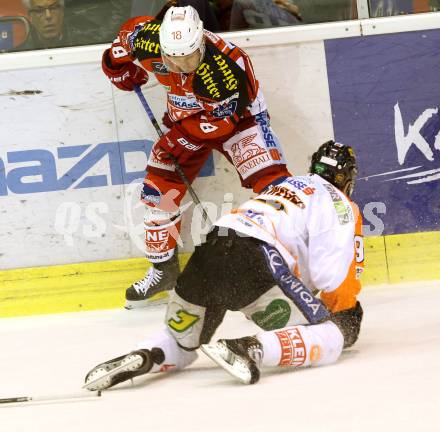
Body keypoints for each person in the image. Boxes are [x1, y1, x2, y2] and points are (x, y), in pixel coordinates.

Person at [84, 141, 364, 388]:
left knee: (181, 343)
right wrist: (344, 314)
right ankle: (250, 348)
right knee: (331, 337)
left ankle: (148, 355)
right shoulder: (339, 203)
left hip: (211, 249)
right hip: (255, 261)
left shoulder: (285, 185)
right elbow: (329, 277)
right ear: (347, 178)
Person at [102, 5, 291, 309]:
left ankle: (294, 263)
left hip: (238, 121)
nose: (180, 67)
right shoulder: (146, 38)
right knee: (157, 193)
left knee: (277, 189)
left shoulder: (224, 70)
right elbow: (118, 50)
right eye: (172, 59)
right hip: (186, 123)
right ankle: (163, 269)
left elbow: (219, 125)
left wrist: (178, 139)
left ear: (201, 42)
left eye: (189, 58)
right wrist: (118, 69)